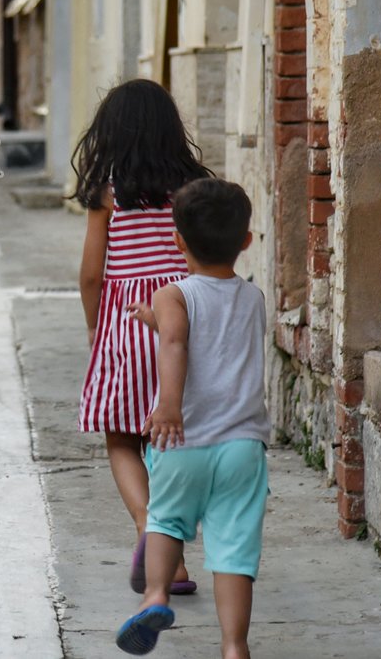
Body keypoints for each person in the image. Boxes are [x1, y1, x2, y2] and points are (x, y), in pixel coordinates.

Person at [115, 178, 270, 657]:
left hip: (184, 440)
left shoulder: (173, 294)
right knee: (234, 550)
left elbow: (177, 341)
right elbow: (215, 333)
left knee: (165, 520)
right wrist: (158, 319)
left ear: (178, 241)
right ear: (246, 241)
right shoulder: (254, 298)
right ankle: (234, 646)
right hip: (242, 446)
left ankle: (155, 595)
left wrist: (168, 405)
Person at [71, 79, 212, 595]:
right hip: (183, 315)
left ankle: (146, 523)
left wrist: (95, 324)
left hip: (128, 321)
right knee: (173, 437)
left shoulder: (108, 193)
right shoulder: (192, 188)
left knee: (121, 435)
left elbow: (92, 274)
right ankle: (173, 559)